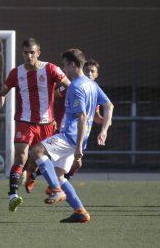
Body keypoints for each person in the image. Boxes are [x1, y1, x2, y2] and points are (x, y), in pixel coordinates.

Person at [28, 48, 113, 223]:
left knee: (36, 151)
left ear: (73, 64)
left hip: (71, 137)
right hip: (78, 139)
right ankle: (80, 212)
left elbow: (82, 116)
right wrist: (104, 130)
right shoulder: (92, 84)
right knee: (59, 176)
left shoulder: (76, 86)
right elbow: (109, 106)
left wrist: (78, 146)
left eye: (65, 65)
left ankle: (56, 190)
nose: (63, 69)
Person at [0, 38, 70, 212]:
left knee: (39, 161)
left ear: (38, 53)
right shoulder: (15, 73)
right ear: (22, 53)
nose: (29, 56)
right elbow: (2, 93)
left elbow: (70, 86)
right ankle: (13, 195)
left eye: (32, 52)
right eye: (26, 52)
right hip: (24, 121)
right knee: (21, 156)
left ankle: (31, 175)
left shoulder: (50, 69)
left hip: (46, 123)